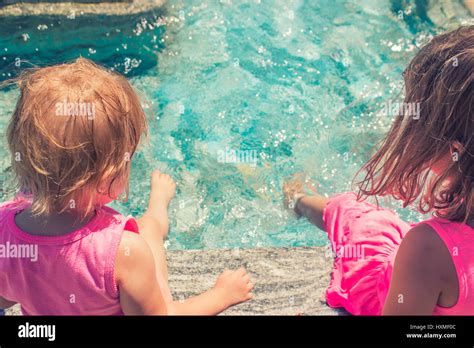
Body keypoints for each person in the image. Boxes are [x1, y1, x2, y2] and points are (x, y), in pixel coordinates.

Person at [0, 58, 253, 315]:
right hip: (140, 279)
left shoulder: (5, 229)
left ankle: (158, 202)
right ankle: (158, 203)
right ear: (109, 175)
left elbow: (5, 299)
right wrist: (221, 296)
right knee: (149, 230)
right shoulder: (124, 252)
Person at [284, 26, 473, 315]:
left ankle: (295, 198)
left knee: (358, 214)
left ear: (454, 151)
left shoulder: (427, 251)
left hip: (382, 288)